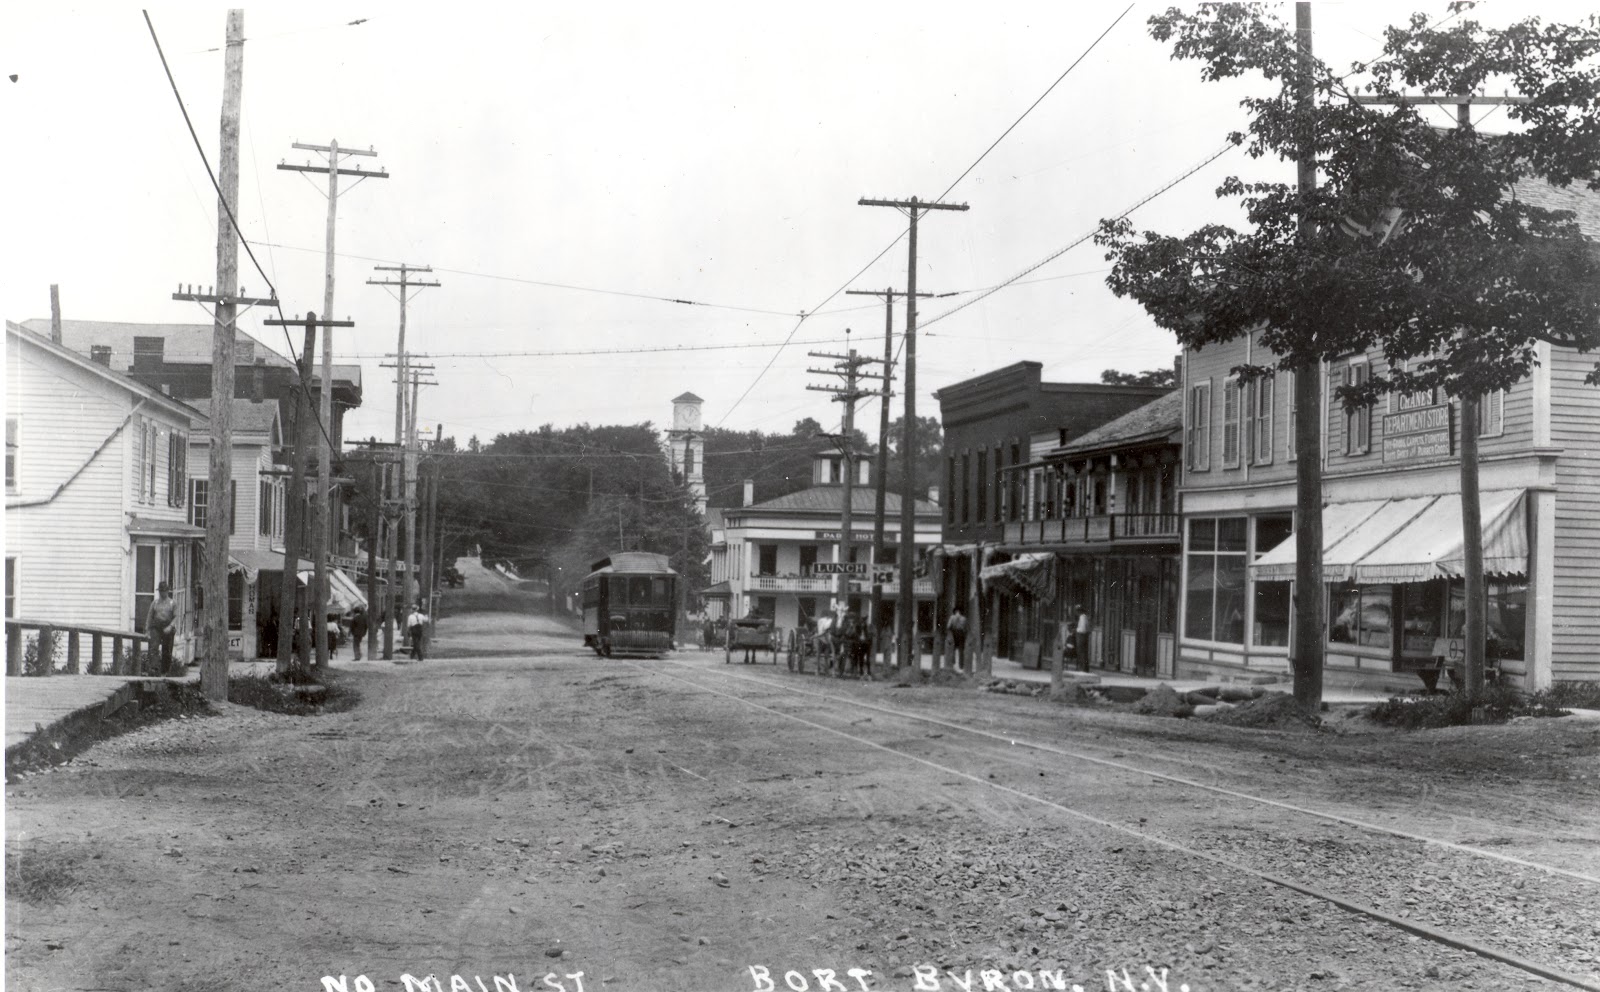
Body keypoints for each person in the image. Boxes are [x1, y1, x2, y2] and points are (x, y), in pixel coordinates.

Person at [147, 583, 180, 674]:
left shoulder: (172, 603)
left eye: (164, 591)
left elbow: (176, 617)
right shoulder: (155, 603)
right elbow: (150, 616)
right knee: (154, 647)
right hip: (156, 626)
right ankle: (154, 669)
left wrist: (170, 626)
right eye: (161, 591)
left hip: (168, 626)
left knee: (167, 649)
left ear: (167, 591)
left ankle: (165, 671)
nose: (162, 593)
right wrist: (147, 630)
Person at [1074, 603, 1091, 673]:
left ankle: (1083, 668)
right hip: (1083, 635)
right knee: (1082, 652)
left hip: (1081, 635)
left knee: (1082, 652)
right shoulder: (1084, 617)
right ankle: (1083, 667)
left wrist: (1076, 630)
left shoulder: (1083, 617)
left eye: (1077, 611)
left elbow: (1083, 628)